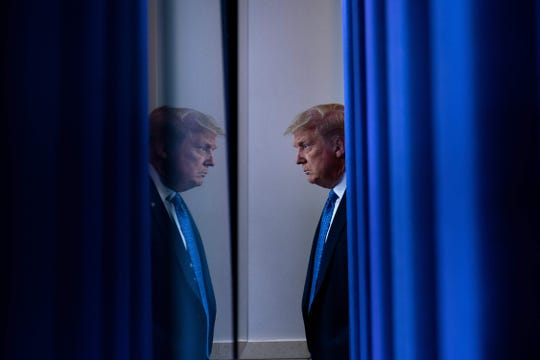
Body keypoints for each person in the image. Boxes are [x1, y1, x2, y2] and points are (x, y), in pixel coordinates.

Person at [149, 105, 224, 360]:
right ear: (164, 147)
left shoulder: (174, 203)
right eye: (203, 148)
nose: (212, 161)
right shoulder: (129, 207)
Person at [284, 103, 348, 359]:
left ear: (338, 147)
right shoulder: (335, 200)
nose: (298, 158)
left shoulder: (370, 203)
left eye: (306, 146)